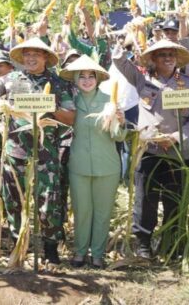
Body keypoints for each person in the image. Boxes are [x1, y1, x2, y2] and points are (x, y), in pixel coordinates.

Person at [0, 37, 76, 264]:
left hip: (46, 150)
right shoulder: (11, 79)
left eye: (36, 54)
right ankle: (17, 243)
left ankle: (50, 248)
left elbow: (71, 118)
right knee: (13, 198)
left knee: (49, 199)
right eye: (27, 54)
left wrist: (51, 106)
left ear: (45, 58)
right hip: (16, 149)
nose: (30, 58)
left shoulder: (58, 83)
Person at [112, 39, 189, 258]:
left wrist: (176, 137)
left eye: (171, 54)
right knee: (146, 199)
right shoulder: (142, 79)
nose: (167, 58)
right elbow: (119, 61)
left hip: (177, 152)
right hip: (149, 150)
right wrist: (125, 40)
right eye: (162, 54)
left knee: (174, 199)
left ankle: (170, 243)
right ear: (153, 59)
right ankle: (144, 242)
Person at [60, 56, 126, 268]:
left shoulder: (110, 101)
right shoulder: (70, 102)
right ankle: (79, 252)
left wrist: (121, 121)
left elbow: (118, 136)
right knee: (82, 210)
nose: (87, 80)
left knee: (102, 212)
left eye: (91, 76)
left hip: (107, 165)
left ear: (97, 79)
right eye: (82, 77)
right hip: (79, 164)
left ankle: (98, 254)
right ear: (76, 80)